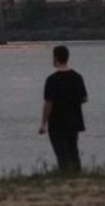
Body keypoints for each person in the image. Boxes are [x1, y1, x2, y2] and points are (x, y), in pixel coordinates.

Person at [38, 44, 88, 173]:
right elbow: (84, 98)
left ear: (55, 58)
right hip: (74, 120)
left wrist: (43, 123)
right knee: (73, 150)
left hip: (57, 122)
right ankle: (77, 174)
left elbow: (49, 103)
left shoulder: (52, 80)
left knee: (61, 152)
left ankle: (65, 174)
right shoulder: (77, 77)